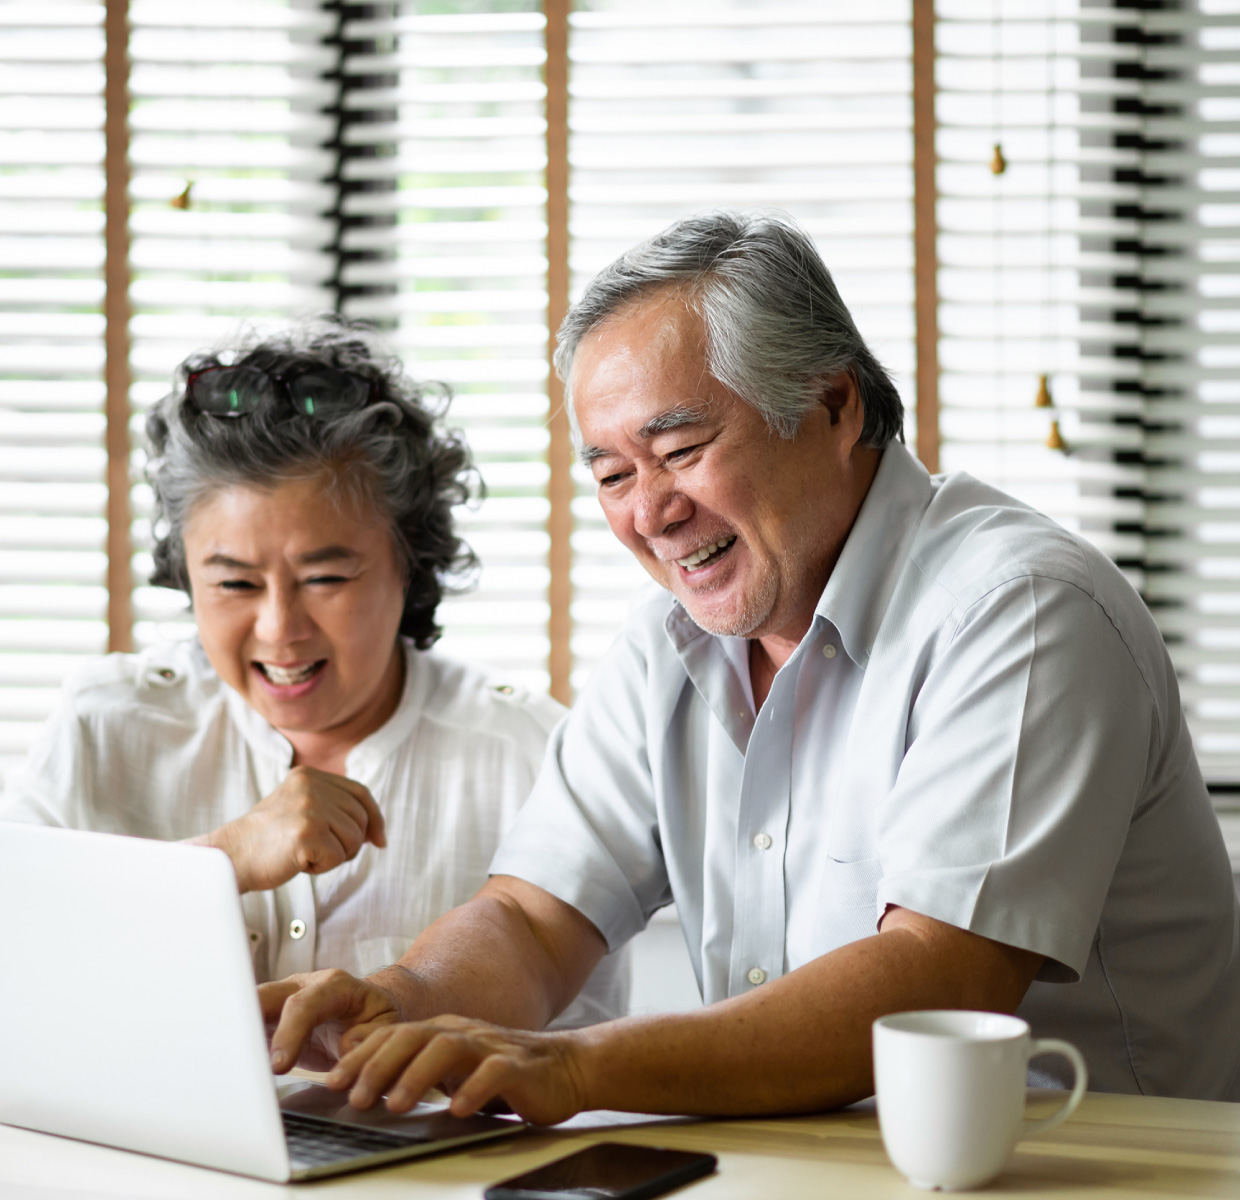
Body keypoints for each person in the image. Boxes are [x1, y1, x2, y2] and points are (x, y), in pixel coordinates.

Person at [262, 214, 1240, 1121]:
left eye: (681, 449)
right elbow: (531, 917)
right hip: (805, 1165)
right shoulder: (666, 646)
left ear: (832, 404)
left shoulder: (1020, 609)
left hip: (1082, 1168)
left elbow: (937, 979)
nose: (649, 512)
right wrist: (399, 1005)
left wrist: (575, 1066)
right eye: (612, 474)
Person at [0, 321, 627, 1028]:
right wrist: (220, 861)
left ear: (410, 564)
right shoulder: (106, 723)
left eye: (325, 578)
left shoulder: (528, 756)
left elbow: (576, 1044)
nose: (280, 629)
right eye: (234, 584)